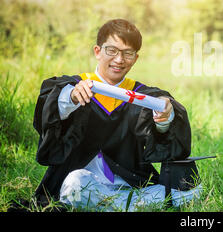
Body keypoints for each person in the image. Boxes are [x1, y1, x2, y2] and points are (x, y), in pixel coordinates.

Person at [32, 19, 201, 211]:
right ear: (98, 51)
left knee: (188, 192)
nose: (119, 60)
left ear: (135, 58)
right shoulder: (73, 88)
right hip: (79, 178)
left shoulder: (142, 95)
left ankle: (107, 204)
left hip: (128, 182)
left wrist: (164, 117)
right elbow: (48, 115)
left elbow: (165, 133)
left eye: (128, 53)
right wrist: (71, 98)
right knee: (75, 183)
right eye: (111, 50)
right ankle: (121, 205)